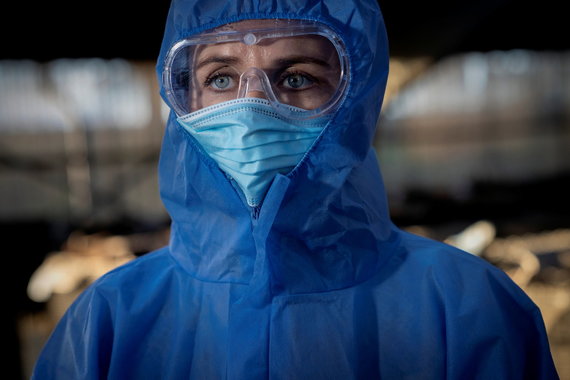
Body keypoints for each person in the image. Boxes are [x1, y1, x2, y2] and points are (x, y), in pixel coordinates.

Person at [32, 0, 559, 378]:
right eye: (220, 79)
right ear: (182, 100)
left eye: (298, 77)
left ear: (356, 101)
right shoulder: (108, 321)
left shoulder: (470, 311)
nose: (253, 107)